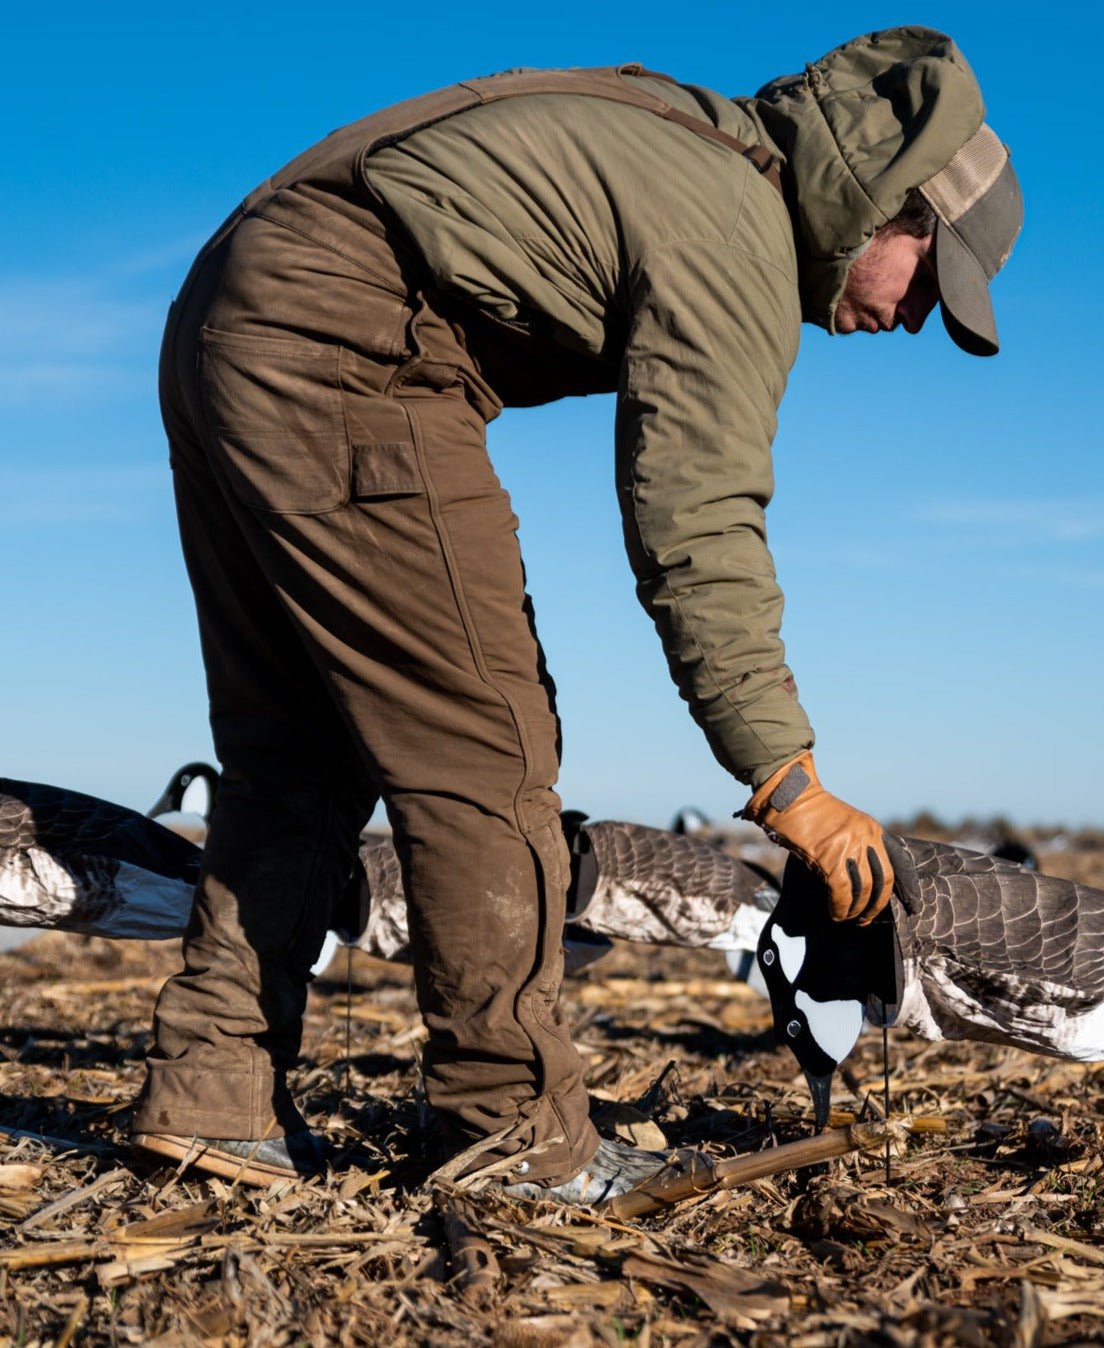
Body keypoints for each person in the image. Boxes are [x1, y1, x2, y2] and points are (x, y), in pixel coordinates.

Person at [130, 24, 1022, 1202]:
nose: (914, 321)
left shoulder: (690, 137)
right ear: (893, 210)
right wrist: (787, 780)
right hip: (353, 338)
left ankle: (212, 1090)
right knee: (487, 743)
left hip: (227, 314)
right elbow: (695, 523)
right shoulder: (737, 229)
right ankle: (513, 1135)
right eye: (932, 282)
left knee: (296, 748)